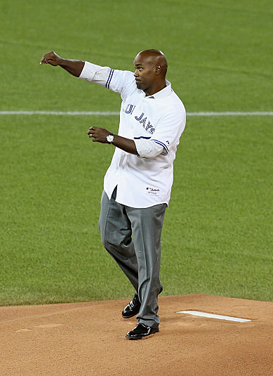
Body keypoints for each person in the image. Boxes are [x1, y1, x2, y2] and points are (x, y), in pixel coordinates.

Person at [40, 49, 186, 340]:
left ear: (158, 70)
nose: (135, 74)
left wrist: (110, 138)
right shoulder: (131, 86)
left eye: (140, 69)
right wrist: (62, 62)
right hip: (118, 182)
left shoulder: (173, 109)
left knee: (147, 258)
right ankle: (148, 288)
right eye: (134, 68)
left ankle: (149, 318)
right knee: (110, 238)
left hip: (148, 191)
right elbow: (97, 73)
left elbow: (151, 149)